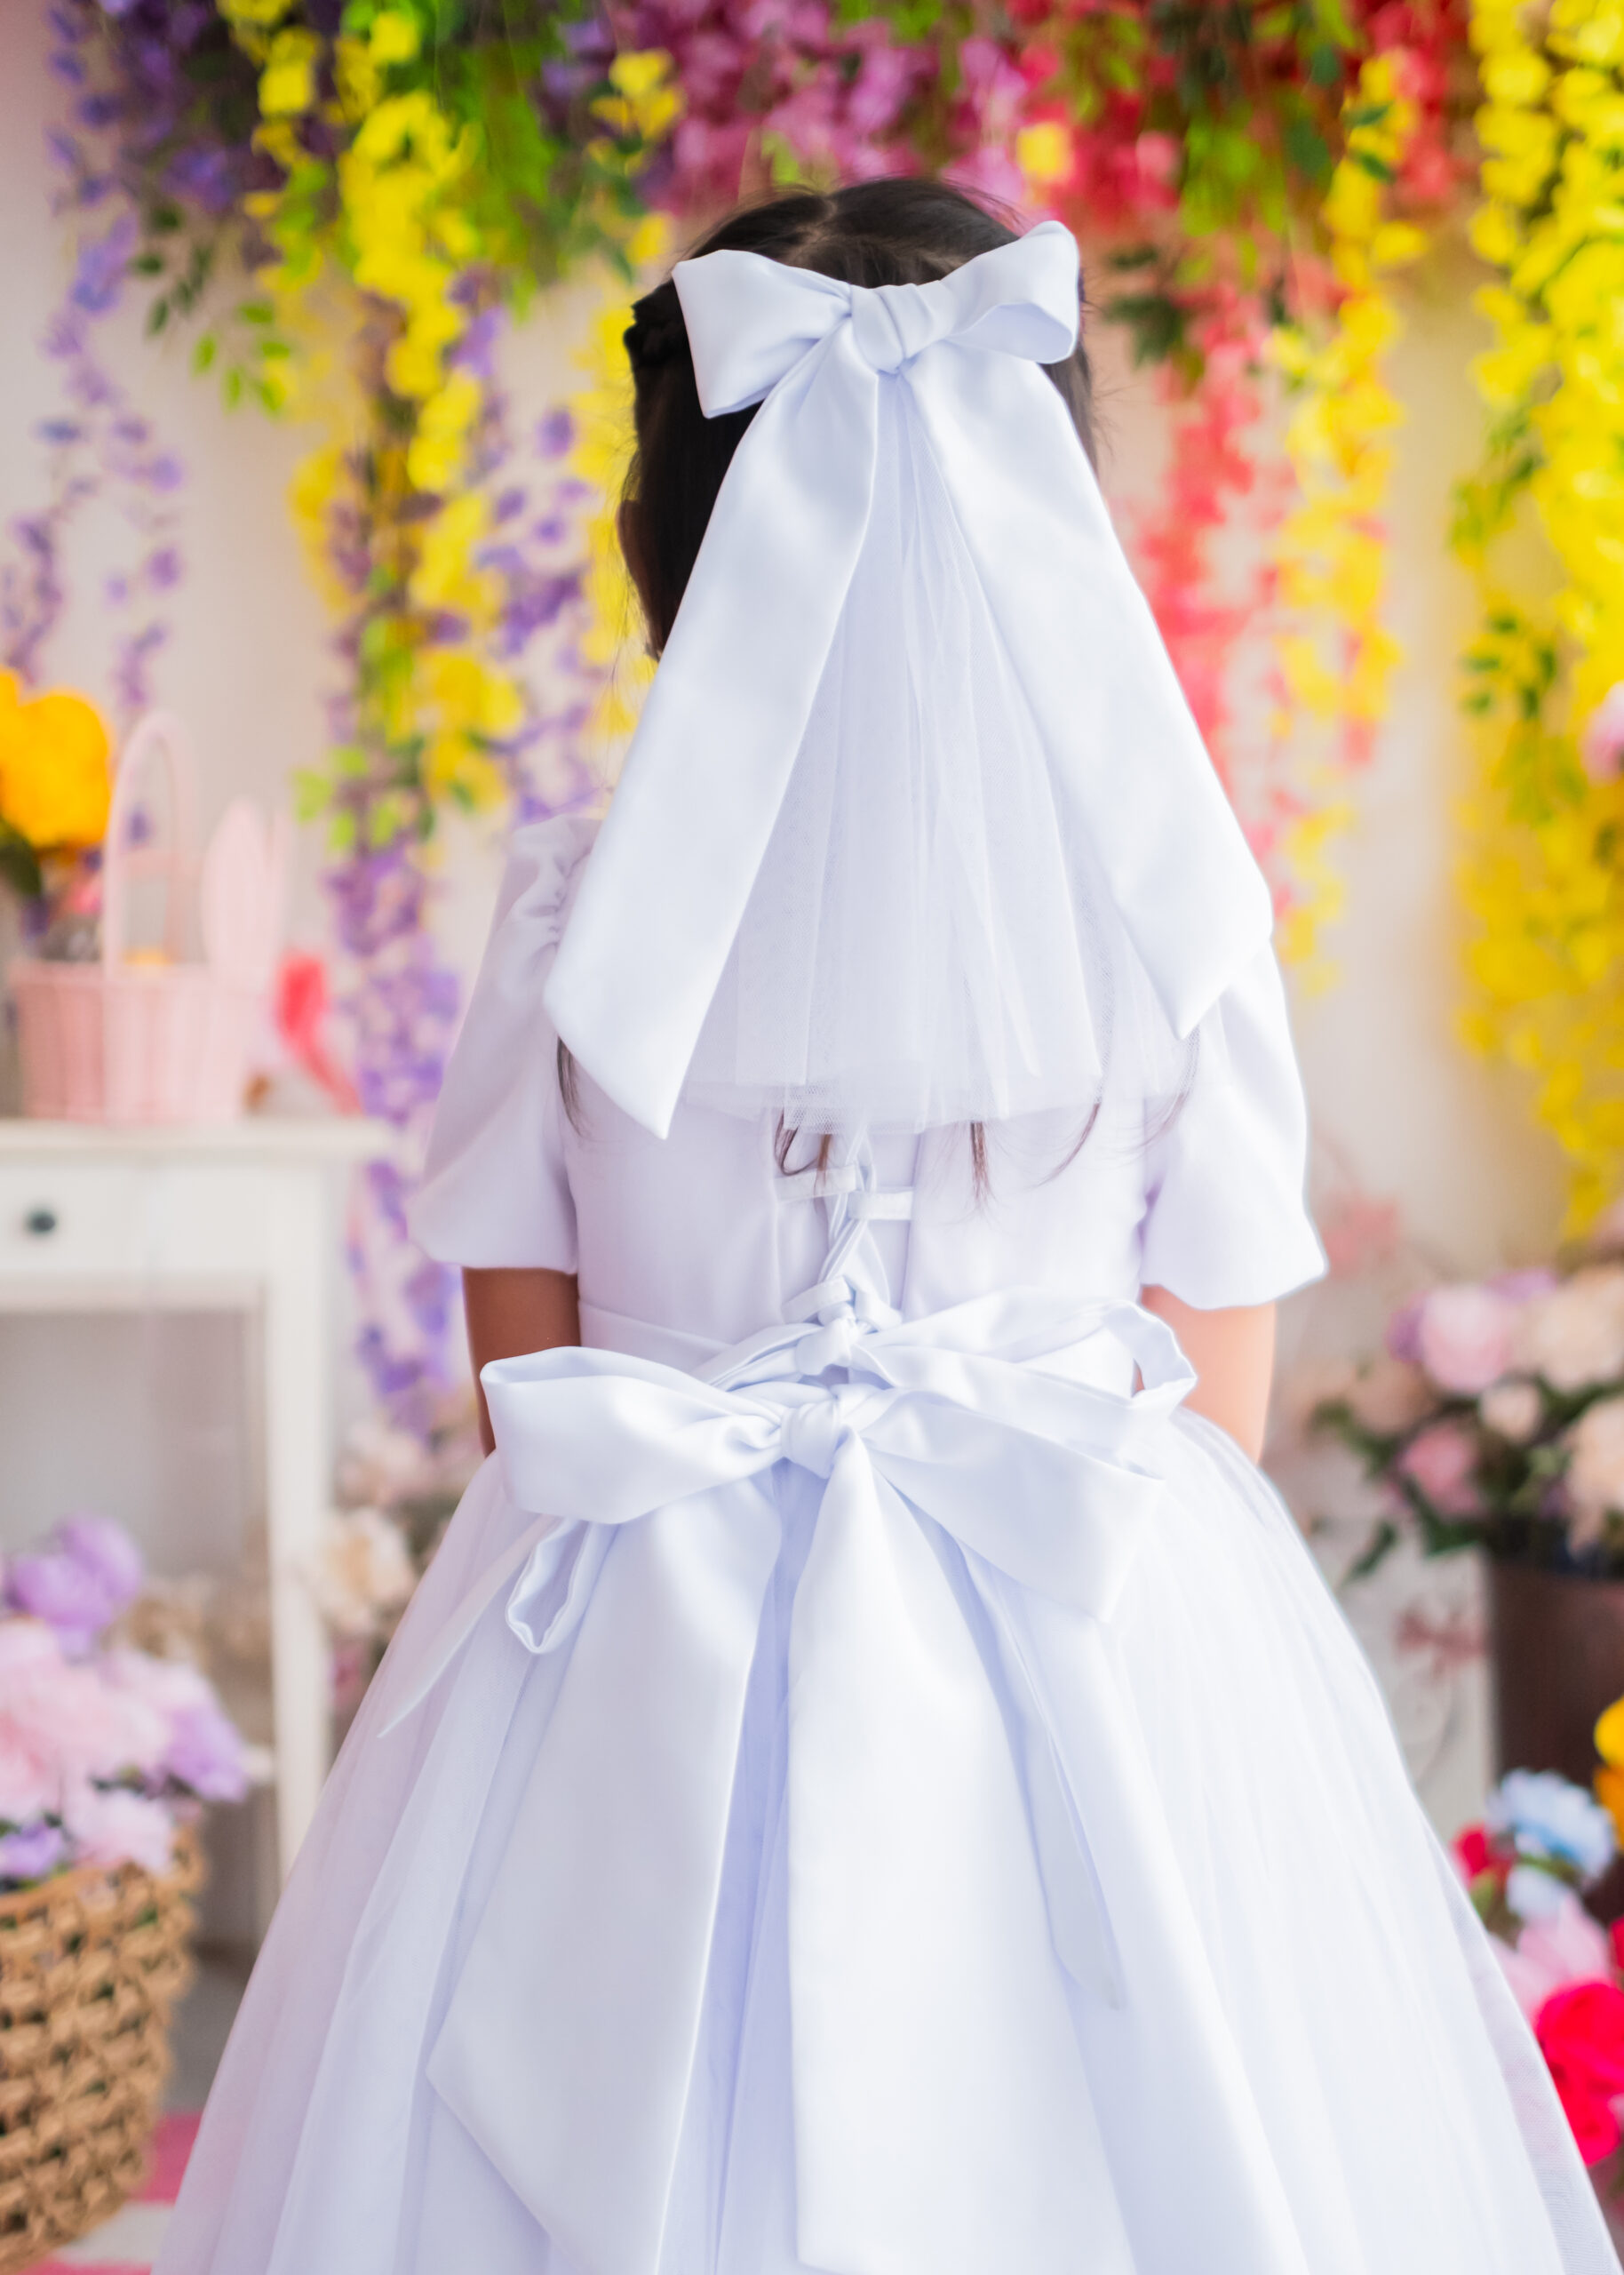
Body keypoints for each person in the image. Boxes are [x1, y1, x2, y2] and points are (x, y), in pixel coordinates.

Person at [156, 180, 1620, 2275]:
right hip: (1094, 1646)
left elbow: (519, 1393)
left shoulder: (574, 916)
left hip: (626, 1649)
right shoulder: (1177, 918)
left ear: (661, 542)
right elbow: (1206, 1416)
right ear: (1042, 532)